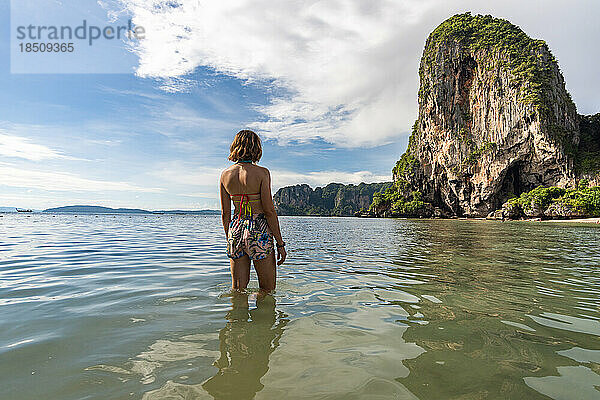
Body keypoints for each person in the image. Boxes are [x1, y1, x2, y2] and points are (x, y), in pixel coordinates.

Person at [219, 129, 286, 292]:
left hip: (235, 229)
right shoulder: (262, 173)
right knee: (267, 289)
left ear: (235, 147)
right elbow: (269, 211)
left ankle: (237, 316)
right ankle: (263, 315)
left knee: (238, 289)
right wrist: (280, 243)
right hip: (259, 228)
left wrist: (231, 237)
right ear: (256, 148)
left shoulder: (225, 175)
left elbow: (225, 213)